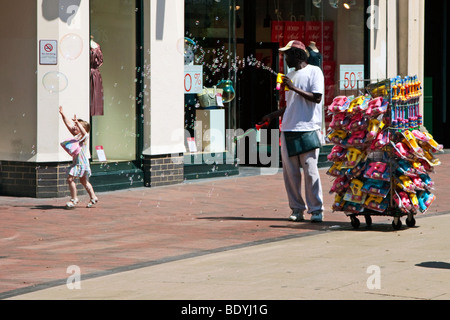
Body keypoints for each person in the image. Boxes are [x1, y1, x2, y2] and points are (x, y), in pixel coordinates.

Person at [261, 40, 325, 222]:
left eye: (287, 54)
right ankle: (297, 209)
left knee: (311, 172)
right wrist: (273, 115)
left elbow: (317, 98)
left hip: (308, 129)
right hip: (288, 128)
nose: (284, 58)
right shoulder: (290, 74)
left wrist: (294, 87)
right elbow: (292, 105)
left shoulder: (314, 71)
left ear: (297, 54)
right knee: (290, 174)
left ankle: (316, 210)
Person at [59, 106, 98, 208]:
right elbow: (68, 124)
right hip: (78, 162)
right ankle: (93, 197)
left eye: (77, 126)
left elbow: (85, 133)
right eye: (75, 126)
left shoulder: (84, 138)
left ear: (83, 129)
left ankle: (74, 199)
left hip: (81, 163)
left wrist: (77, 123)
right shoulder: (76, 137)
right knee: (83, 181)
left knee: (70, 179)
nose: (74, 127)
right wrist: (62, 114)